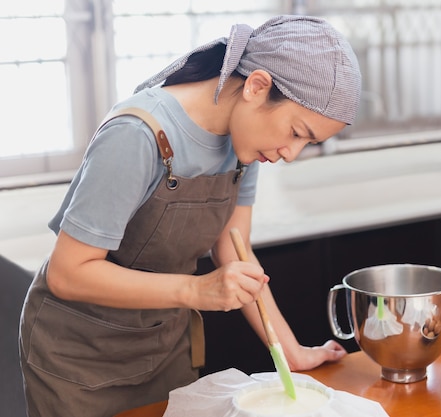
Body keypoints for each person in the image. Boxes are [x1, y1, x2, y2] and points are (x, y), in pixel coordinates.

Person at [19, 15, 361, 417]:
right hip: (79, 362)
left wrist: (292, 353)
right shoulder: (138, 134)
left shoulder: (244, 145)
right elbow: (68, 272)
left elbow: (235, 252)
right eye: (297, 132)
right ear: (257, 86)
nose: (291, 152)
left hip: (166, 349)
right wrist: (197, 291)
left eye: (309, 142)